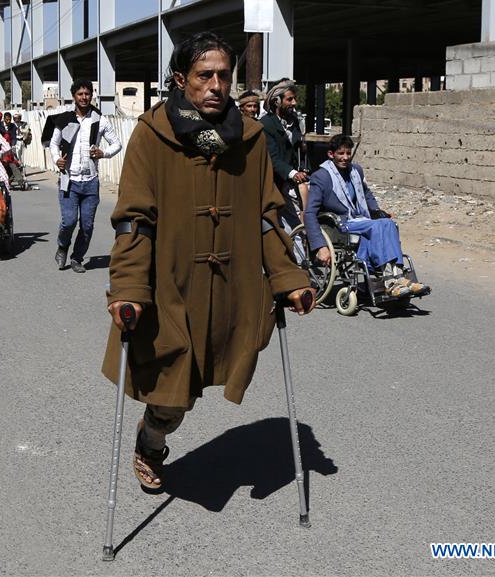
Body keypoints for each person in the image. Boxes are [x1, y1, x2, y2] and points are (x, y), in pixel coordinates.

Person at [101, 32, 314, 491]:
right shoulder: (152, 134)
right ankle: (151, 442)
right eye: (205, 75)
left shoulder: (252, 139)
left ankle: (157, 430)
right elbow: (134, 221)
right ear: (181, 80)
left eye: (224, 75)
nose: (217, 85)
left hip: (229, 289)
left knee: (205, 377)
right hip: (170, 287)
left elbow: (265, 219)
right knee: (172, 396)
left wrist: (287, 278)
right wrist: (128, 288)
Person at [304, 134, 429, 298]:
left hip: (361, 219)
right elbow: (310, 213)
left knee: (387, 223)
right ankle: (390, 281)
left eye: (348, 153)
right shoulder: (321, 176)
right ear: (331, 154)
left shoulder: (356, 171)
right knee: (377, 226)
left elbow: (366, 193)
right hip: (341, 223)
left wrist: (376, 211)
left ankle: (398, 276)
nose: (345, 158)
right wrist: (320, 246)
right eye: (340, 154)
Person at [49, 79, 122, 273]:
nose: (84, 97)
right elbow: (53, 144)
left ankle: (77, 258)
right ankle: (62, 247)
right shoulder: (64, 119)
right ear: (74, 96)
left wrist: (103, 153)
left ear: (92, 95)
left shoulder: (99, 120)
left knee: (87, 225)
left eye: (87, 94)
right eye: (80, 94)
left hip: (90, 182)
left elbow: (117, 144)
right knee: (69, 221)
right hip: (69, 180)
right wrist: (57, 159)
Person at [260, 79, 309, 229]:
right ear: (276, 101)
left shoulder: (294, 122)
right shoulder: (266, 124)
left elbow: (300, 151)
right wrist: (292, 173)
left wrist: (304, 168)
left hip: (291, 184)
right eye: (289, 99)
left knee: (300, 222)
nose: (294, 103)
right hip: (275, 184)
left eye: (294, 99)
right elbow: (272, 157)